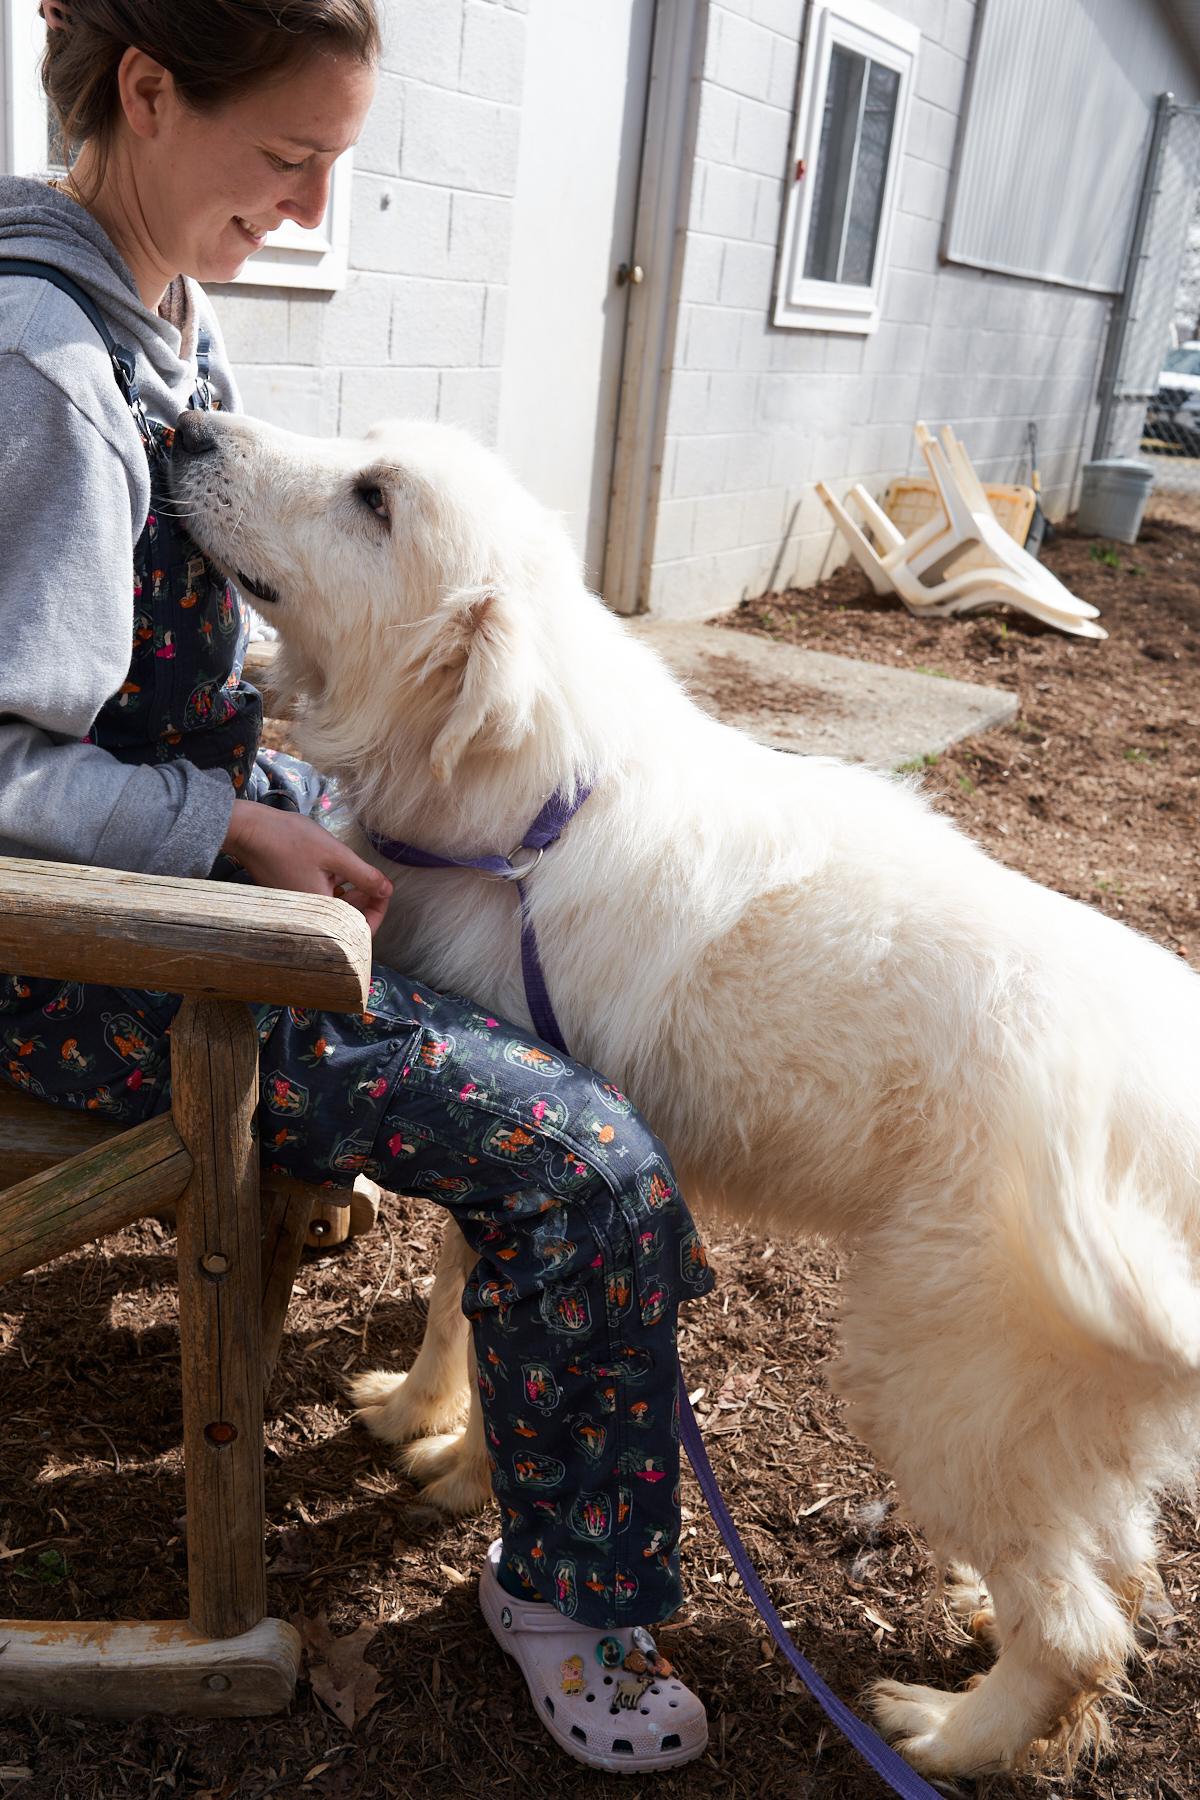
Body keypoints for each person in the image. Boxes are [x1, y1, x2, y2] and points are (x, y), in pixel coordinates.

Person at [0, 0, 715, 1773]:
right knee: (587, 1162)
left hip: (186, 896)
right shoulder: (44, 365)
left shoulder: (153, 308)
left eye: (337, 162)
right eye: (288, 157)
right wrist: (237, 831)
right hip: (98, 966)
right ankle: (569, 1597)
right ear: (150, 94)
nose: (315, 207)